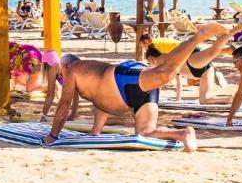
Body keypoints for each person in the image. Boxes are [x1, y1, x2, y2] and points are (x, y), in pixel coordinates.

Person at [42, 35, 207, 152]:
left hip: (123, 78)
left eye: (60, 74)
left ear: (65, 66)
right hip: (129, 86)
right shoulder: (89, 74)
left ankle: (196, 38)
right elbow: (99, 102)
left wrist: (53, 135)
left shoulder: (71, 69)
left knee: (166, 74)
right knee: (145, 133)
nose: (62, 78)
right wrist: (95, 132)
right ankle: (183, 133)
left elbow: (64, 104)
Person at [145, 23, 240, 104]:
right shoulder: (166, 62)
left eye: (149, 62)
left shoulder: (164, 60)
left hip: (191, 62)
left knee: (212, 51)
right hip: (203, 71)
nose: (150, 65)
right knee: (204, 100)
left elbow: (158, 81)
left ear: (151, 58)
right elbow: (176, 81)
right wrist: (178, 99)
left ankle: (234, 29)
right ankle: (230, 99)